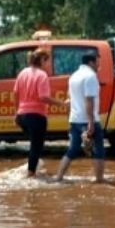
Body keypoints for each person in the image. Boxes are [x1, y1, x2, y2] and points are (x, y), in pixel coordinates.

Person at [13, 48, 65, 177]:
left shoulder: (23, 73)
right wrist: (61, 104)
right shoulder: (42, 75)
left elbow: (15, 93)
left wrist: (16, 113)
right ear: (42, 60)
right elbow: (43, 97)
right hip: (36, 116)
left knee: (33, 145)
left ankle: (32, 168)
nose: (49, 65)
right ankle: (31, 174)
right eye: (48, 61)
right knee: (36, 147)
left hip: (22, 116)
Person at [56, 52, 105, 183]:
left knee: (72, 150)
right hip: (87, 120)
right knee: (98, 150)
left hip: (75, 120)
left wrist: (69, 120)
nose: (99, 65)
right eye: (97, 62)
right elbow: (89, 100)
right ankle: (100, 181)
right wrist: (91, 122)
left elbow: (70, 99)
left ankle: (58, 177)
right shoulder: (90, 76)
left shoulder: (73, 76)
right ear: (91, 62)